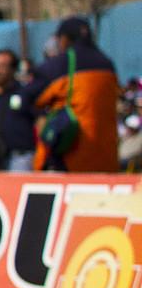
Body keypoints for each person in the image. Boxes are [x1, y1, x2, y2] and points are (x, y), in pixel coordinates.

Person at [34, 15, 121, 173]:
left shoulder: (60, 64)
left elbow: (28, 99)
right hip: (106, 157)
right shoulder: (108, 64)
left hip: (70, 156)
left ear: (64, 39)